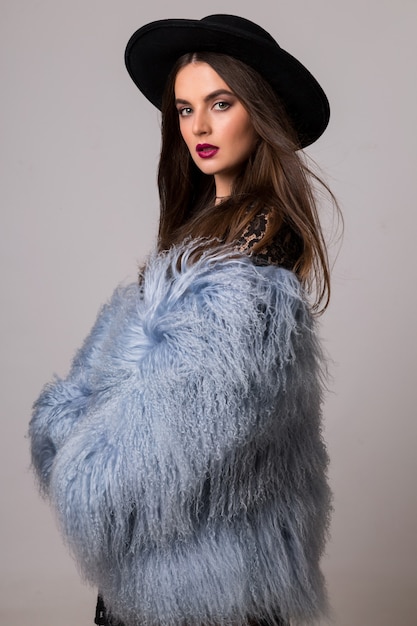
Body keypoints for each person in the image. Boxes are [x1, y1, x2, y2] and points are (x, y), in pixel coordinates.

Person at [29, 14, 339, 626]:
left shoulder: (250, 263)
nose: (198, 126)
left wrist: (79, 451)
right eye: (184, 108)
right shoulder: (200, 242)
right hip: (165, 578)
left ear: (259, 110)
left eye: (220, 103)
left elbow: (164, 446)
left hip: (207, 595)